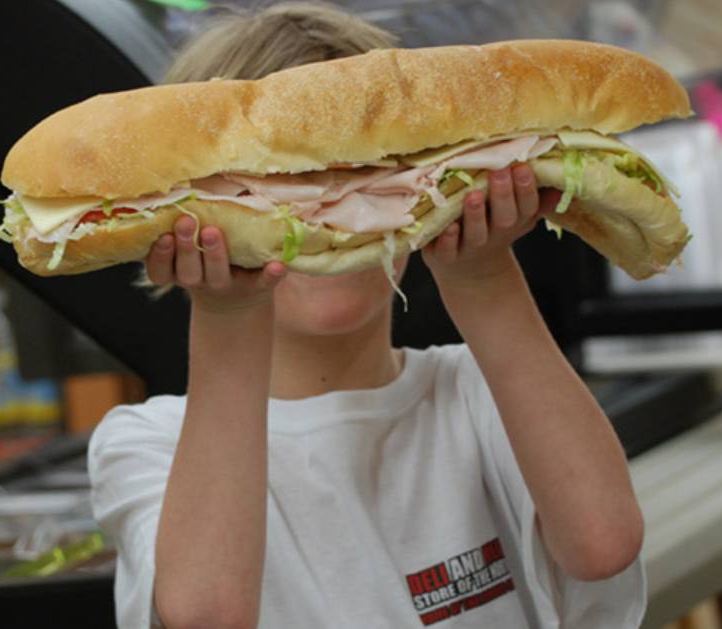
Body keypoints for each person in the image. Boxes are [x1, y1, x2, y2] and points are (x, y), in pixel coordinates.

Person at [89, 3, 646, 628]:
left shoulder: (478, 390)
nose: (329, 217)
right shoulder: (143, 442)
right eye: (279, 191)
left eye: (367, 179)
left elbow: (603, 545)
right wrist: (229, 315)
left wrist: (483, 277)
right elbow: (210, 618)